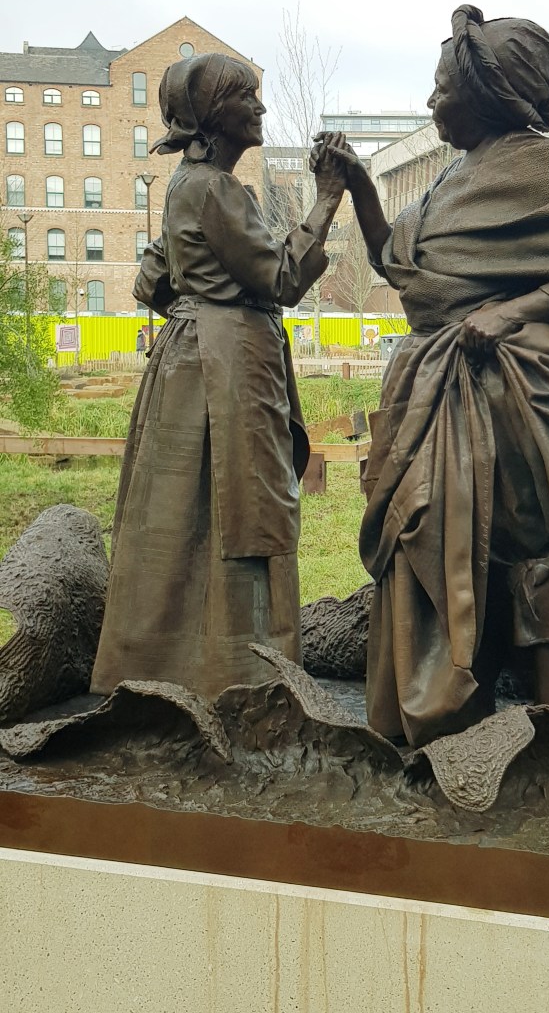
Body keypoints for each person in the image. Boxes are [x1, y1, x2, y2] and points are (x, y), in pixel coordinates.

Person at [322, 7, 549, 747]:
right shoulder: (450, 176)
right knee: (430, 537)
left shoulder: (545, 168)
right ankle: (455, 708)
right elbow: (402, 267)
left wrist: (513, 311)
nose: (432, 102)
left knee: (529, 544)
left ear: (487, 96)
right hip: (437, 391)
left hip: (517, 393)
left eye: (441, 89)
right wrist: (360, 187)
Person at [91, 53, 346, 699]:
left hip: (190, 367)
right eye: (246, 98)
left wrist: (195, 309)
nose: (260, 107)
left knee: (183, 522)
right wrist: (327, 198)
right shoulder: (215, 190)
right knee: (244, 519)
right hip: (226, 374)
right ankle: (246, 681)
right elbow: (282, 278)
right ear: (211, 117)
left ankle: (166, 673)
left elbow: (150, 281)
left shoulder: (188, 185)